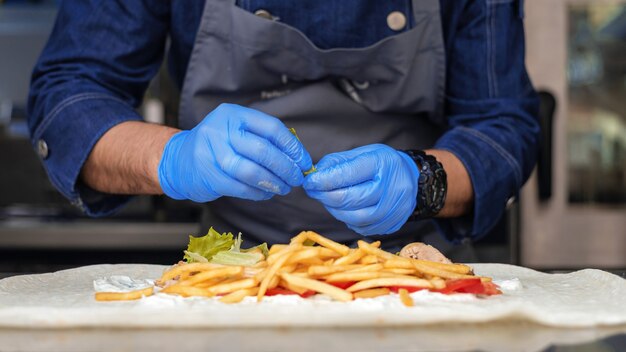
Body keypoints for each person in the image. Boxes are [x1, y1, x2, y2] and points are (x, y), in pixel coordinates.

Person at [28, 0, 539, 259]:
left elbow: (501, 124)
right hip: (231, 274)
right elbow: (70, 94)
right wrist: (176, 158)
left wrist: (422, 180)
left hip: (414, 271)